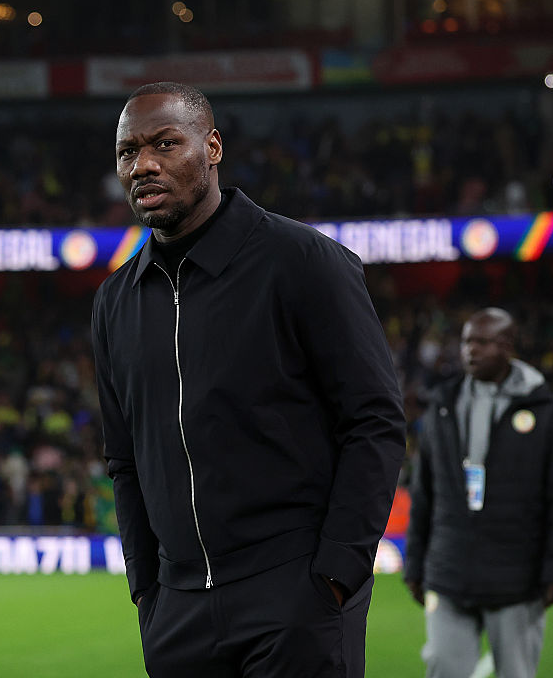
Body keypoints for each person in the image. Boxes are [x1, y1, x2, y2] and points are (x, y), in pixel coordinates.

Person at [91, 81, 406, 677]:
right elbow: (124, 460)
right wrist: (148, 594)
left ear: (211, 147)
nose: (144, 165)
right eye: (128, 152)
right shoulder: (115, 301)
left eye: (164, 143)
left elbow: (375, 421)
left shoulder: (303, 262)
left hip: (296, 595)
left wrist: (336, 573)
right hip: (178, 613)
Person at [404, 307, 553, 678]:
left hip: (517, 579)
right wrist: (415, 563)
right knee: (442, 668)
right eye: (468, 341)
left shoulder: (541, 408)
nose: (471, 350)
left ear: (508, 346)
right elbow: (424, 493)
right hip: (449, 573)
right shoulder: (443, 405)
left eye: (483, 342)